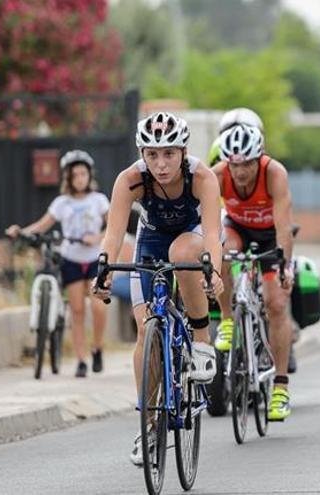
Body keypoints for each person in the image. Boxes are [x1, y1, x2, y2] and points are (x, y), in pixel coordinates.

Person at [90, 112, 224, 466]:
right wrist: (102, 269)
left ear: (182, 151)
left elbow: (212, 233)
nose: (161, 164)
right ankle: (148, 426)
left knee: (182, 252)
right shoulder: (130, 180)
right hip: (150, 240)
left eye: (169, 154)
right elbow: (114, 235)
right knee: (146, 329)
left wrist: (214, 271)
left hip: (194, 237)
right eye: (152, 155)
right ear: (142, 153)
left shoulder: (203, 177)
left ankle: (200, 338)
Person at [211, 123, 296, 421]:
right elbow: (207, 222)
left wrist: (284, 265)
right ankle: (226, 320)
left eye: (248, 163)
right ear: (227, 162)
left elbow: (284, 226)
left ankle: (281, 388)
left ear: (258, 158)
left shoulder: (274, 173)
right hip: (238, 229)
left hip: (270, 236)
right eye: (236, 164)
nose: (242, 171)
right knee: (220, 249)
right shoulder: (218, 176)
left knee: (275, 304)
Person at [6, 150, 109, 378]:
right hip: (71, 259)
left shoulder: (99, 200)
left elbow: (113, 227)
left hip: (94, 259)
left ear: (89, 175)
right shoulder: (62, 203)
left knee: (98, 307)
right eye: (76, 174)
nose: (80, 178)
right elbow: (42, 225)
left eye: (84, 173)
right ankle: (82, 360)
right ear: (69, 178)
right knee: (77, 311)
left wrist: (97, 237)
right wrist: (20, 231)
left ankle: (98, 347)